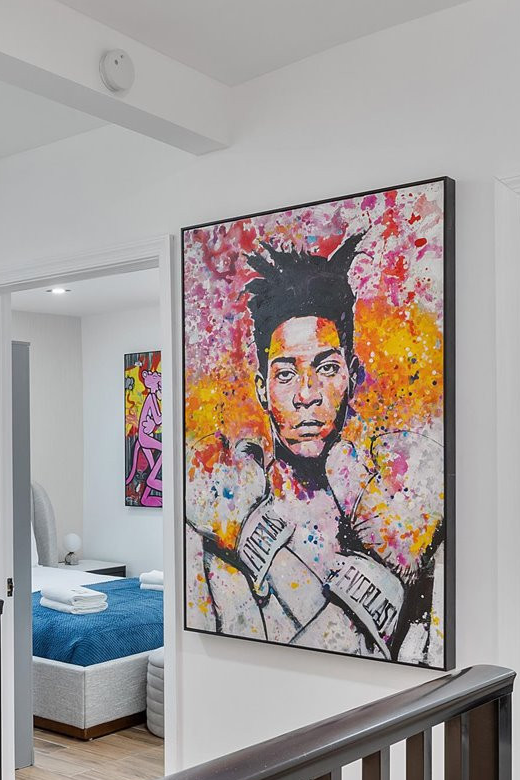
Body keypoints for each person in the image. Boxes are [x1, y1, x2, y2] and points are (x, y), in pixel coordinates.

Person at [185, 230, 444, 662]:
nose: (307, 395)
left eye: (326, 368)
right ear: (263, 388)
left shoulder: (401, 514)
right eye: (286, 374)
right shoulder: (215, 525)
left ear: (352, 375)